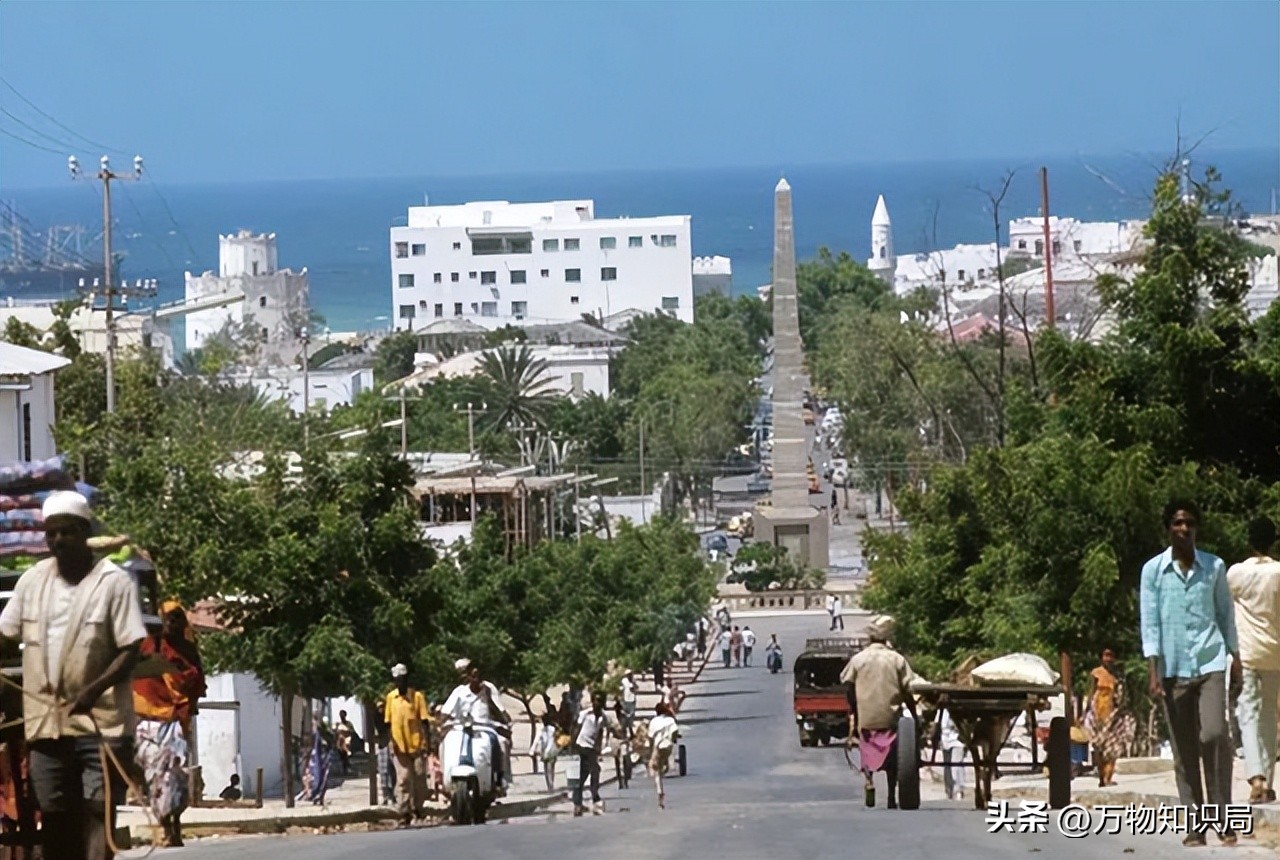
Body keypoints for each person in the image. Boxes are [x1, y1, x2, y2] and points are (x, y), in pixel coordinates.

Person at [0, 491, 147, 860]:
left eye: (67, 532)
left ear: (85, 532)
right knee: (54, 815)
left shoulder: (114, 583)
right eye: (51, 534)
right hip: (46, 724)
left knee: (98, 812)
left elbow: (131, 650)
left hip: (102, 724)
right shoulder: (31, 582)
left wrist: (94, 691)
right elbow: (5, 635)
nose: (58, 541)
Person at [1140, 499, 1240, 847]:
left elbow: (1225, 613)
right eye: (1178, 523)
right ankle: (1197, 823)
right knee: (1184, 751)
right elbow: (1150, 622)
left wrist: (1235, 656)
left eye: (1190, 523)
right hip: (1172, 668)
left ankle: (1223, 815)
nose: (1184, 529)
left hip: (1210, 662)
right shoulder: (1153, 571)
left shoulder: (1214, 567)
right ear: (1168, 527)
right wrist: (1153, 669)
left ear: (1197, 528)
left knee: (1213, 734)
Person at [132, 600, 206, 847]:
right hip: (149, 722)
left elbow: (195, 683)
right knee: (156, 779)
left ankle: (176, 824)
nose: (171, 623)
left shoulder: (188, 651)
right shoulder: (148, 647)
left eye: (176, 618)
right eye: (167, 618)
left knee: (178, 778)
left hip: (175, 724)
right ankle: (165, 828)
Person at [1227, 516, 1280, 805]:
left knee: (1246, 713)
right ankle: (1268, 782)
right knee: (1269, 716)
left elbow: (1224, 608)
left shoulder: (1236, 573)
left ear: (1249, 540)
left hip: (1245, 653)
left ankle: (1256, 776)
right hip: (1274, 653)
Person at [839, 615, 916, 809]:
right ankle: (891, 796)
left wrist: (854, 710)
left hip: (866, 718)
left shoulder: (858, 659)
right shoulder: (896, 659)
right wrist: (914, 714)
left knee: (867, 751)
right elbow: (908, 687)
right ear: (886, 639)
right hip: (890, 718)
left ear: (870, 639)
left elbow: (847, 684)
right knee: (892, 760)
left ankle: (869, 781)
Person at [441, 658, 512, 793]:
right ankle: (445, 778)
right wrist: (440, 723)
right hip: (461, 727)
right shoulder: (459, 692)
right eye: (473, 676)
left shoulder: (489, 689)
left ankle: (498, 779)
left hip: (485, 727)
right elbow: (445, 712)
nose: (476, 679)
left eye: (479, 676)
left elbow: (502, 713)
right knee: (444, 744)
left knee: (501, 743)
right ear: (468, 676)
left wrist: (489, 699)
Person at [383, 662, 431, 827]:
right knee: (403, 778)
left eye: (402, 679)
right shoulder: (391, 698)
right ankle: (403, 812)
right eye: (397, 680)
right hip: (399, 745)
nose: (399, 683)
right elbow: (388, 723)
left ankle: (417, 808)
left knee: (419, 779)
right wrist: (392, 741)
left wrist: (427, 743)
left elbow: (424, 721)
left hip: (416, 745)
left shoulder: (417, 697)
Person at [1082, 649, 1136, 788]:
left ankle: (1108, 777)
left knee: (1113, 747)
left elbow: (1122, 695)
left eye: (1111, 655)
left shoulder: (1118, 676)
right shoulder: (1096, 673)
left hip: (1113, 714)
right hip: (1098, 712)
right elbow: (1091, 691)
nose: (1108, 659)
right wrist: (1085, 712)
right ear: (1101, 657)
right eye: (1106, 655)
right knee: (1098, 746)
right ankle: (1101, 776)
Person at [572, 692, 614, 816]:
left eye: (600, 701)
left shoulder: (603, 717)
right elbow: (576, 728)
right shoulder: (585, 714)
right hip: (582, 745)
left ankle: (577, 804)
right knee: (595, 770)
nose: (597, 703)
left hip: (591, 747)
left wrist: (599, 747)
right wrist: (572, 744)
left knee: (583, 775)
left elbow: (602, 731)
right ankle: (595, 797)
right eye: (595, 700)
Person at [647, 702, 681, 810]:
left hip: (658, 747)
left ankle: (660, 792)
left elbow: (650, 736)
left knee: (656, 770)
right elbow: (675, 732)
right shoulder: (670, 720)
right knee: (662, 764)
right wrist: (673, 738)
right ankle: (664, 769)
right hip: (668, 747)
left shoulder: (654, 721)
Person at [936, 708, 966, 801]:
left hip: (957, 740)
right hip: (945, 740)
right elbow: (937, 724)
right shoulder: (941, 711)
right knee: (947, 766)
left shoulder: (960, 709)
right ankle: (949, 789)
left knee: (956, 764)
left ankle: (958, 789)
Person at [530, 714, 559, 792]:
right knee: (546, 769)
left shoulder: (552, 730)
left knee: (550, 769)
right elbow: (537, 739)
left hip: (551, 752)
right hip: (544, 752)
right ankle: (549, 785)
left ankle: (551, 785)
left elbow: (551, 741)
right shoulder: (542, 730)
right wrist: (533, 749)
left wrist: (547, 752)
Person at [334, 709, 359, 777]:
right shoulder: (338, 724)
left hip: (348, 741)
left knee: (346, 756)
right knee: (342, 757)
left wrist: (346, 733)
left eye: (343, 715)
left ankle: (347, 768)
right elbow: (336, 733)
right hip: (340, 743)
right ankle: (345, 769)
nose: (342, 717)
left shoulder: (349, 724)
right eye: (341, 715)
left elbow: (352, 732)